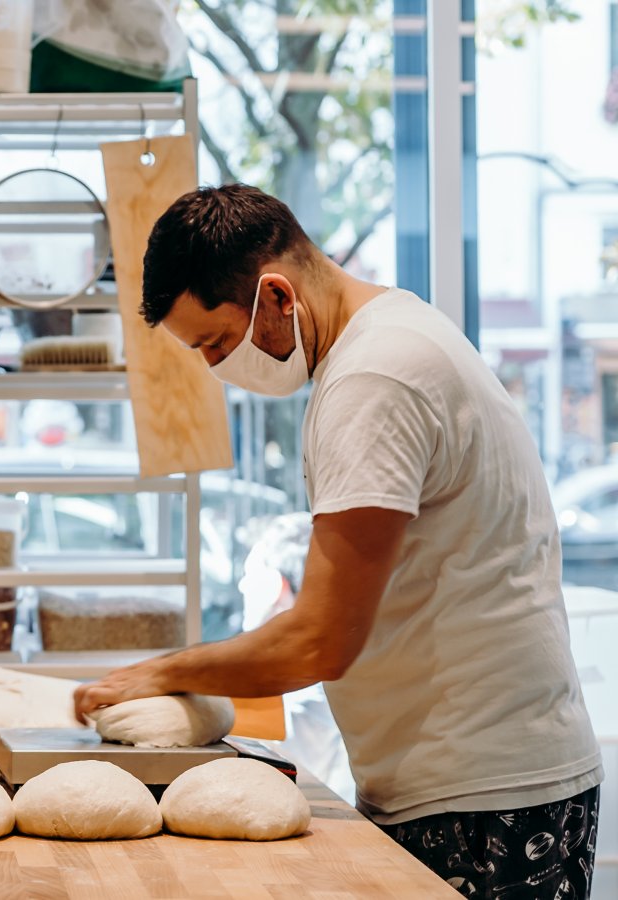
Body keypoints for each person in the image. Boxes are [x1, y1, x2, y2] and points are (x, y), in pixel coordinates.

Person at [74, 184, 602, 898]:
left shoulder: (373, 379)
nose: (215, 367)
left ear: (277, 298)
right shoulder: (398, 332)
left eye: (217, 342)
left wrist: (162, 672)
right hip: (481, 776)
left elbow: (320, 641)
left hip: (483, 794)